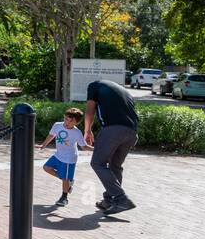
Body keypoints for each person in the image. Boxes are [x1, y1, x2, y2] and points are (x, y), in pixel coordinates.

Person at [84, 78, 139, 215]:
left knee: (97, 163)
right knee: (115, 166)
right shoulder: (124, 91)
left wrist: (87, 130)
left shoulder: (94, 85)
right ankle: (110, 200)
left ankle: (121, 198)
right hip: (132, 132)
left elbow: (90, 111)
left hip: (113, 130)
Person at [38, 108, 90, 206]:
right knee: (46, 168)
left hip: (69, 158)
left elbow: (84, 146)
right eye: (66, 119)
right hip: (58, 155)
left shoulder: (77, 132)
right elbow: (51, 135)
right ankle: (68, 182)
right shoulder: (57, 125)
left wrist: (96, 149)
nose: (67, 122)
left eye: (71, 121)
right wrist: (43, 145)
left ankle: (64, 198)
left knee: (65, 179)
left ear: (77, 122)